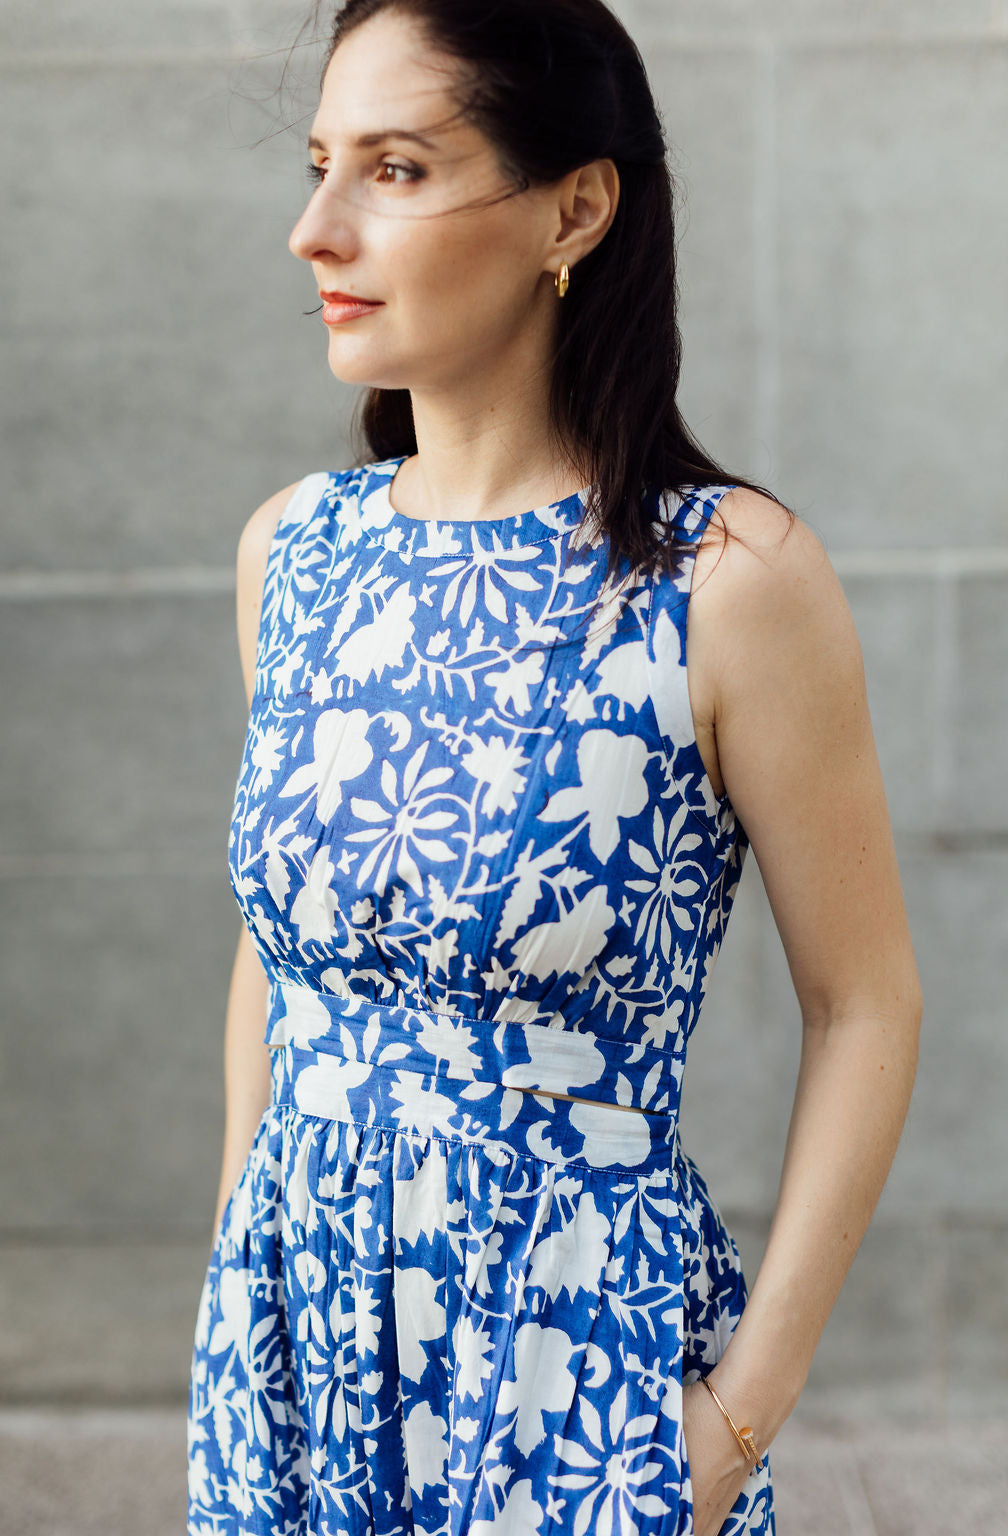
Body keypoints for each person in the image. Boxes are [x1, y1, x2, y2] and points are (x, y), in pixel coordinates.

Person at [186, 2, 923, 1533]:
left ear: (575, 209)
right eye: (322, 165)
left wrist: (732, 1421)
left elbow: (866, 1003)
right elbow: (277, 953)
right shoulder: (295, 553)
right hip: (293, 1358)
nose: (316, 230)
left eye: (395, 168)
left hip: (576, 1380)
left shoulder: (724, 581)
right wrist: (234, 1276)